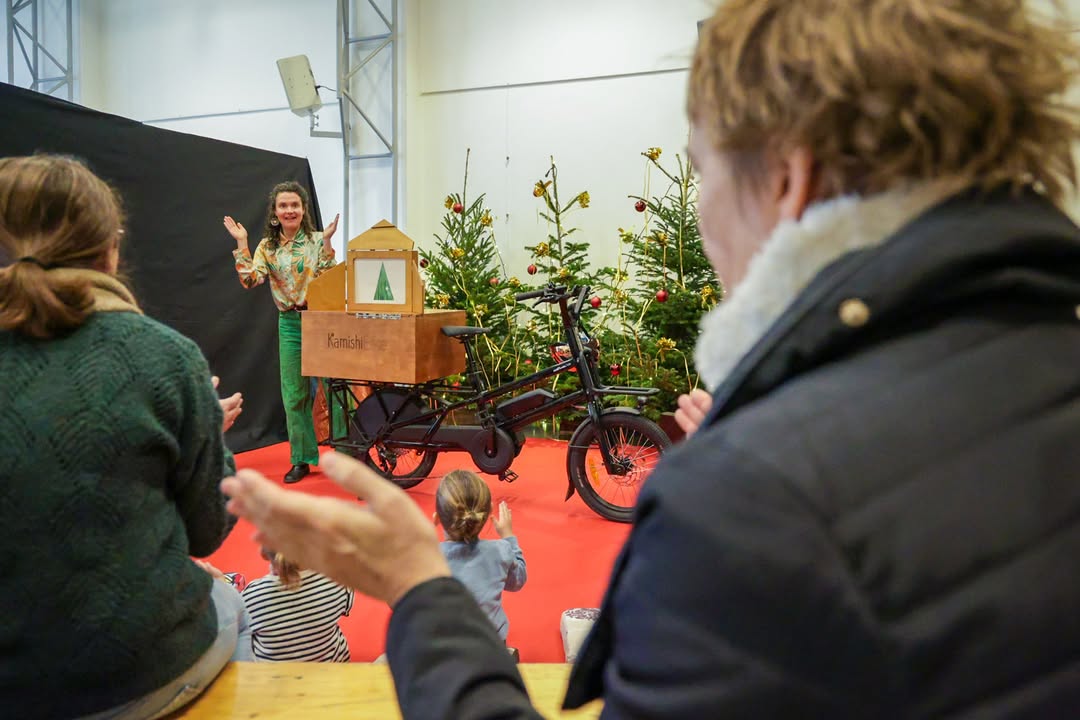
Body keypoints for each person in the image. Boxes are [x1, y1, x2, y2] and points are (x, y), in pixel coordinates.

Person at [221, 0, 1080, 717]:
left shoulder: (756, 504)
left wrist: (420, 590)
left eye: (705, 172)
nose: (703, 217)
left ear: (790, 178)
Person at [0, 154, 253, 720]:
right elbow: (208, 529)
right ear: (109, 249)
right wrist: (207, 429)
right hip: (135, 676)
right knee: (234, 603)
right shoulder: (163, 356)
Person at [224, 181, 340, 484]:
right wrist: (242, 243)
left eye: (295, 205)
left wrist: (328, 242)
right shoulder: (267, 247)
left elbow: (330, 276)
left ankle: (349, 454)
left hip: (321, 321)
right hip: (289, 323)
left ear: (303, 209)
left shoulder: (317, 240)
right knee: (294, 394)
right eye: (283, 206)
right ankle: (301, 459)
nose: (290, 210)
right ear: (275, 212)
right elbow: (251, 280)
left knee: (336, 389)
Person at [435, 470, 528, 642]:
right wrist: (509, 537)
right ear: (489, 511)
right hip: (491, 644)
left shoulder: (427, 560)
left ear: (437, 517)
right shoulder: (500, 550)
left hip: (444, 647)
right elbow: (518, 581)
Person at [240, 547, 354, 662]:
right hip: (332, 668)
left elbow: (241, 631)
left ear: (263, 553)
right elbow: (346, 607)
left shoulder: (251, 596)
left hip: (274, 673)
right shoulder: (336, 581)